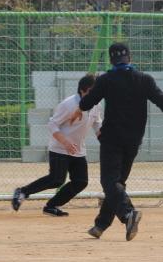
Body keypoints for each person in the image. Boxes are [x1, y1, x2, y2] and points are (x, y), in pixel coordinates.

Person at [70, 42, 163, 241]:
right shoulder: (144, 80)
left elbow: (88, 101)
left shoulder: (106, 80)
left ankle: (128, 214)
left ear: (111, 60)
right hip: (133, 139)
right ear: (130, 58)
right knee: (118, 183)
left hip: (112, 139)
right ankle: (101, 225)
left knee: (109, 181)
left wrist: (78, 109)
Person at [11, 74, 102, 217]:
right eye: (93, 91)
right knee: (56, 179)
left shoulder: (96, 105)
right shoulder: (69, 104)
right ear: (83, 90)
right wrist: (65, 142)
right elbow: (52, 124)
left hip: (78, 149)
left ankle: (51, 206)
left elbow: (97, 123)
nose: (96, 94)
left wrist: (104, 138)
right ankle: (22, 192)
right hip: (59, 148)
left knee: (81, 181)